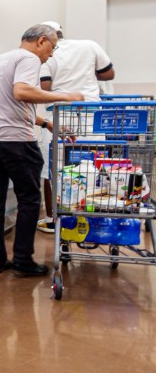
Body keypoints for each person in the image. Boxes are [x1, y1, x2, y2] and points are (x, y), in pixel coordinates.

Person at [0, 23, 83, 277]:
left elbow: (6, 103)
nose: (52, 54)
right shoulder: (29, 58)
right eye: (52, 48)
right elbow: (21, 92)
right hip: (15, 142)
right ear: (41, 41)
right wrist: (66, 96)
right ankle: (23, 260)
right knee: (30, 199)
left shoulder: (0, 59)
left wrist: (44, 122)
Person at [35, 21, 115, 233]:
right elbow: (109, 74)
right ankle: (92, 215)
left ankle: (53, 220)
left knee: (53, 168)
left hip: (62, 116)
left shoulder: (48, 54)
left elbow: (45, 87)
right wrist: (86, 74)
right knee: (95, 165)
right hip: (92, 116)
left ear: (44, 38)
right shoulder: (89, 45)